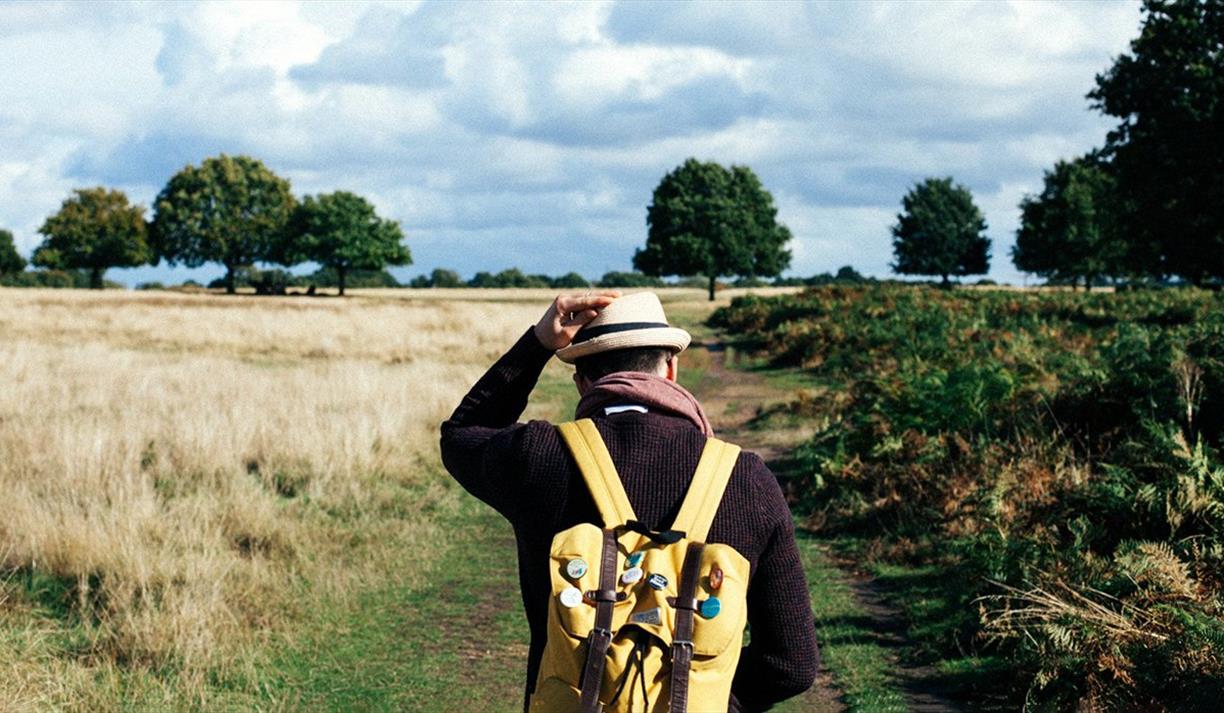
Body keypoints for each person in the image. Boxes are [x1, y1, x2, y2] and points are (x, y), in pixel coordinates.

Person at [440, 290, 818, 711]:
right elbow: (792, 664)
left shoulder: (541, 456)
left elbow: (461, 435)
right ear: (671, 369)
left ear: (582, 381)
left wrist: (538, 344)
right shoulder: (746, 478)